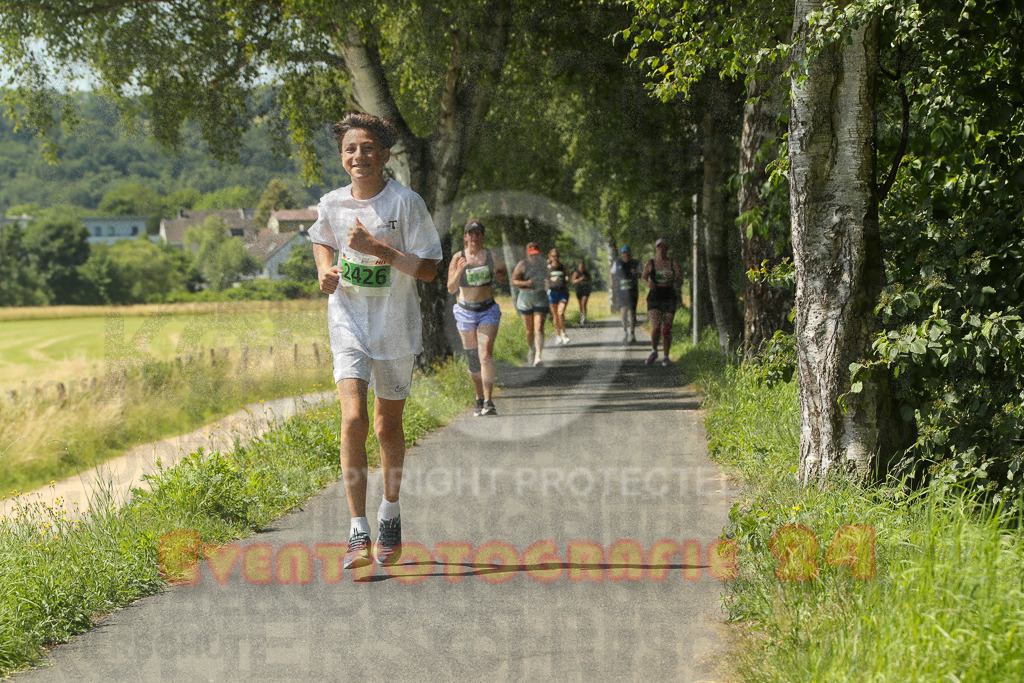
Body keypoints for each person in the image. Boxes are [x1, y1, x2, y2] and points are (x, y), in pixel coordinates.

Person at [310, 112, 443, 570]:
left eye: (367, 148)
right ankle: (357, 530)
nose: (358, 156)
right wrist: (325, 271)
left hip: (395, 327)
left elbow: (428, 269)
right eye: (350, 149)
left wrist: (379, 250)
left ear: (384, 155)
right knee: (353, 420)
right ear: (342, 157)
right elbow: (321, 239)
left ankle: (390, 513)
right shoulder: (331, 202)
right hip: (348, 322)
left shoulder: (406, 204)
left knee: (387, 427)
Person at [447, 219, 507, 416]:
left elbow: (501, 277)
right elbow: (451, 288)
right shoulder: (458, 257)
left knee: (485, 354)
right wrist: (461, 270)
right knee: (473, 359)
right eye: (471, 233)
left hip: (487, 310)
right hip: (465, 312)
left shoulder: (490, 255)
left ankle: (489, 402)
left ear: (482, 236)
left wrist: (500, 270)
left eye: (478, 233)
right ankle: (479, 397)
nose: (474, 237)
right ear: (465, 237)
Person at [643, 238, 682, 366]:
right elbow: (643, 276)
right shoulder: (651, 263)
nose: (661, 249)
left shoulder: (672, 262)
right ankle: (654, 351)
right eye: (659, 247)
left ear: (667, 249)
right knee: (655, 326)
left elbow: (680, 278)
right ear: (656, 249)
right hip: (654, 296)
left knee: (666, 328)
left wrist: (674, 277)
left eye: (664, 247)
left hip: (669, 295)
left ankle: (665, 356)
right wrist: (648, 283)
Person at [510, 242, 549, 366]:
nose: (534, 257)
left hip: (540, 295)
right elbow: (513, 281)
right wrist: (526, 283)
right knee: (529, 330)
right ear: (528, 254)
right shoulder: (522, 264)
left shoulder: (543, 265)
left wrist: (549, 282)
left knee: (539, 327)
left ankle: (538, 356)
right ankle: (531, 348)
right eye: (532, 255)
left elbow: (548, 278)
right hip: (526, 297)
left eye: (536, 255)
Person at [610, 245, 640, 342]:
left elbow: (643, 275)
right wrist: (612, 283)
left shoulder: (635, 263)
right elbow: (612, 273)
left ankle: (632, 332)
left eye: (627, 253)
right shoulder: (617, 262)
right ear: (622, 254)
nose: (626, 255)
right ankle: (624, 331)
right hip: (621, 291)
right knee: (623, 312)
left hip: (632, 291)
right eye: (624, 253)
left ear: (630, 254)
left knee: (632, 313)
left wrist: (637, 273)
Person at [546, 248, 571, 345]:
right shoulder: (548, 268)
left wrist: (566, 280)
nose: (555, 258)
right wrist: (552, 279)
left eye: (556, 256)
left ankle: (564, 334)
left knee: (561, 313)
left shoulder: (563, 266)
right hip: (553, 292)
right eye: (553, 256)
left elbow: (567, 276)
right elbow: (545, 280)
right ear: (550, 257)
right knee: (555, 316)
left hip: (563, 292)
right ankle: (558, 335)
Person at [571, 260, 593, 326]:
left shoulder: (587, 273)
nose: (581, 267)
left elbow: (590, 281)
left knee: (584, 303)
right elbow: (573, 281)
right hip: (579, 289)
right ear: (579, 266)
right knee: (580, 304)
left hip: (586, 290)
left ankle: (584, 318)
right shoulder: (576, 273)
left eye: (583, 266)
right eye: (580, 266)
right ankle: (582, 317)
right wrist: (580, 279)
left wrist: (587, 282)